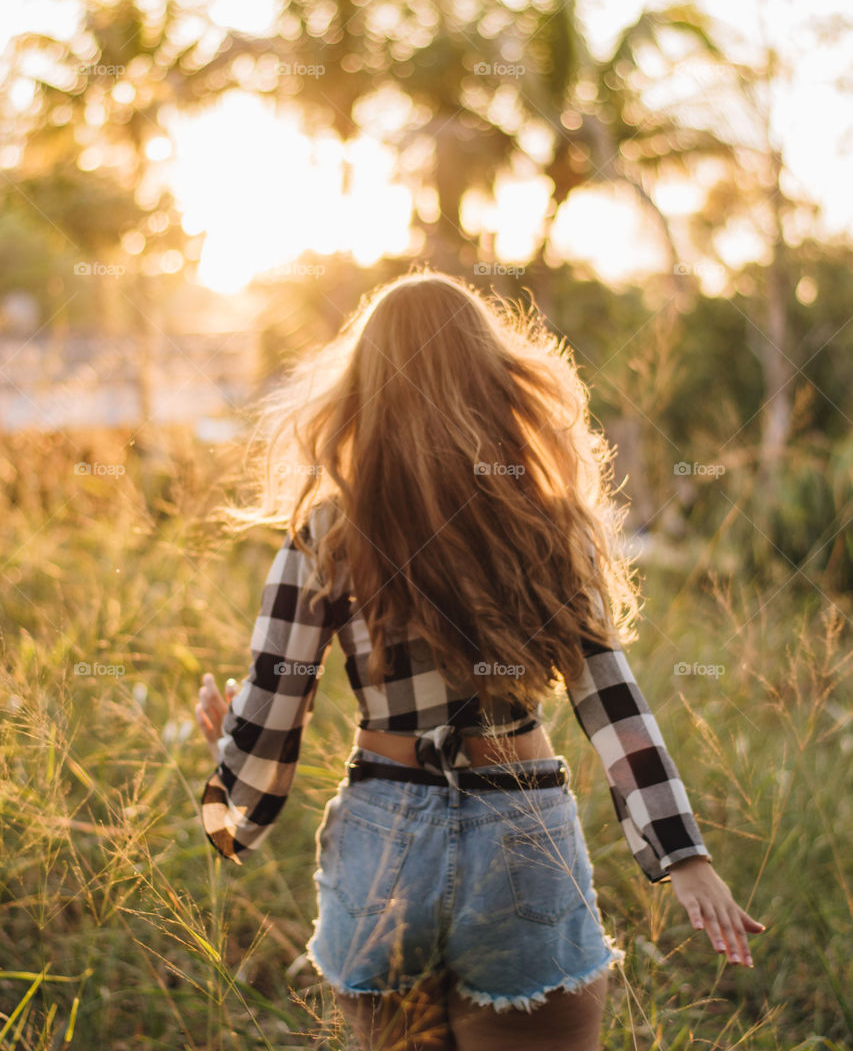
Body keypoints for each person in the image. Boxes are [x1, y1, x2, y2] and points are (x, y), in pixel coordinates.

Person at [194, 269, 765, 1051]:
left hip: (383, 841)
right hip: (519, 829)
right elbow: (609, 699)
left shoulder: (326, 531)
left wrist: (228, 789)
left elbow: (273, 714)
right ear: (497, 382)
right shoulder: (545, 522)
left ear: (363, 389)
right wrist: (683, 856)